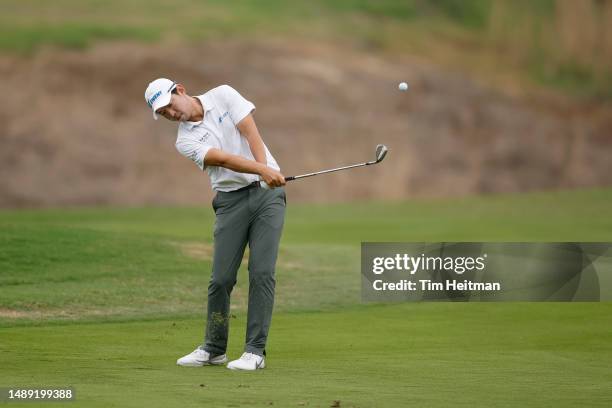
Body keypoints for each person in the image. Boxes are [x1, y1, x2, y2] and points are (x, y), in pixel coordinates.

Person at [144, 78, 286, 371]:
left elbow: (251, 133)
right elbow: (223, 159)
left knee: (261, 272)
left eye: (170, 105)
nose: (170, 114)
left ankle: (255, 351)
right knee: (220, 279)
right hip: (230, 202)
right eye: (164, 113)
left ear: (180, 90)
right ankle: (214, 348)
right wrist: (262, 170)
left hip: (267, 197)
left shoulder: (223, 95)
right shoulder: (184, 140)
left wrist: (266, 173)